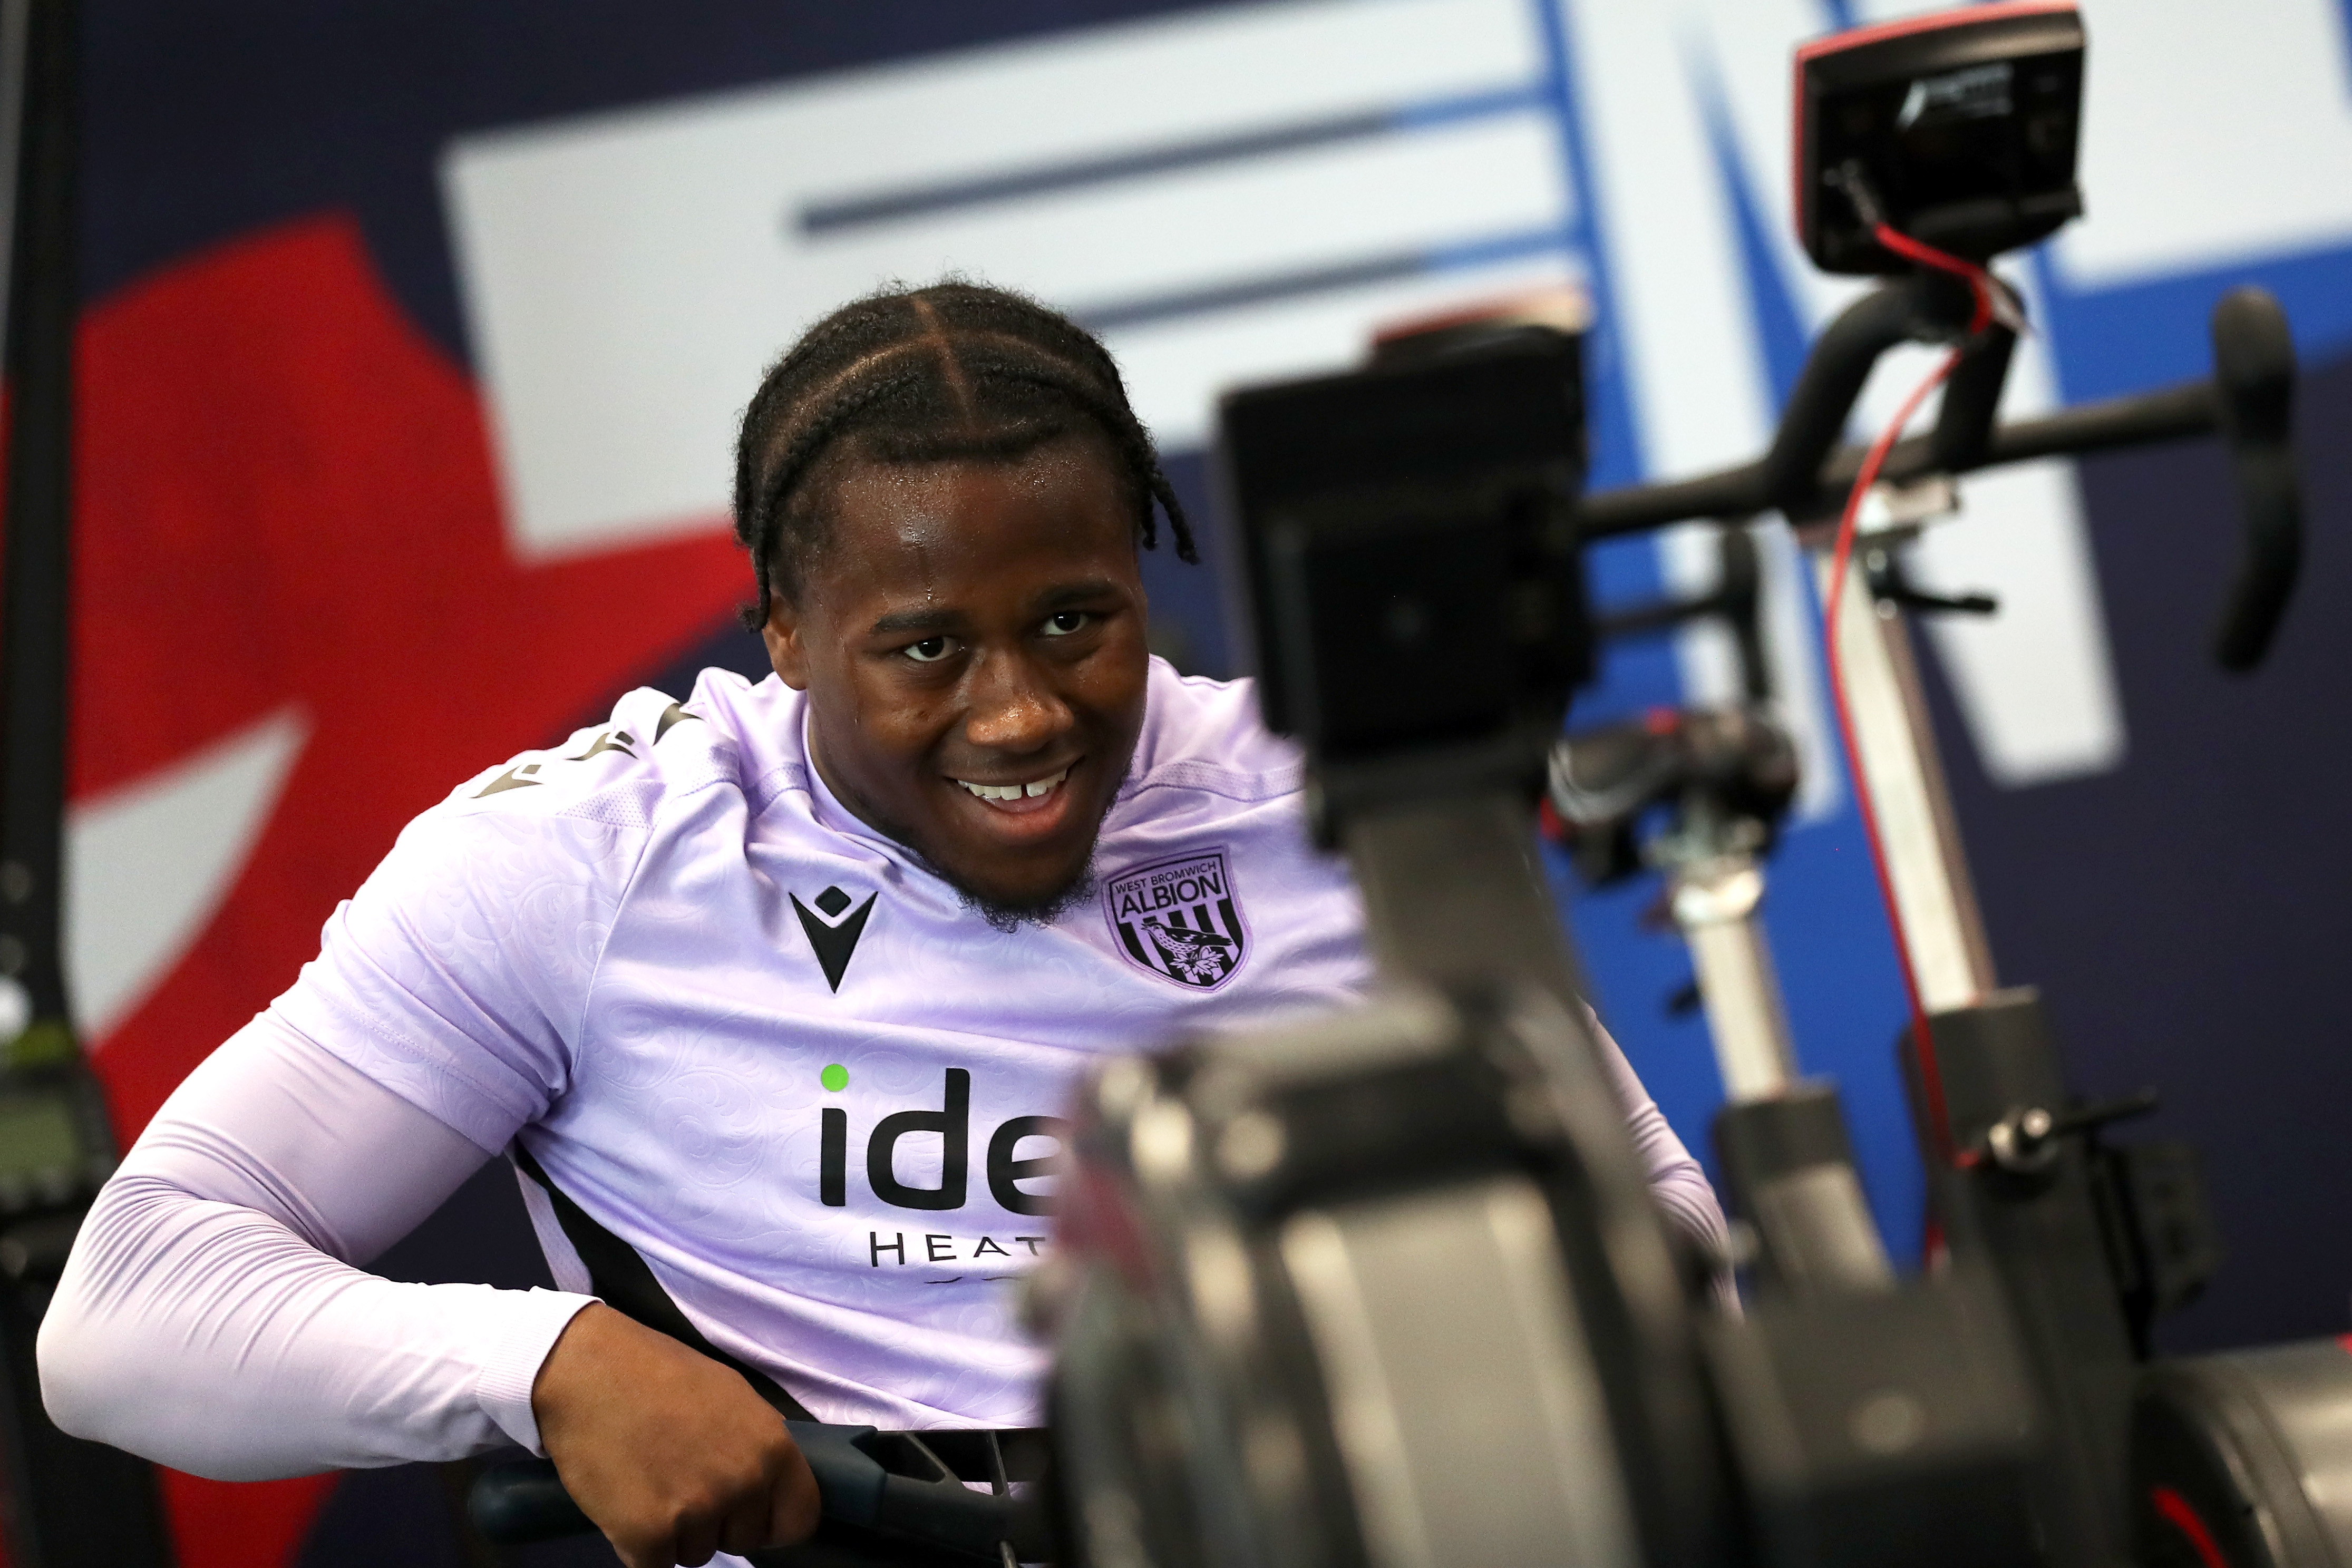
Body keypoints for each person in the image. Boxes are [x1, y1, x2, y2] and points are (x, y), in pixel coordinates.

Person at [38, 283, 1727, 1568]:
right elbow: (124, 1314)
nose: (1021, 718)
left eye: (1079, 623)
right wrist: (550, 1364)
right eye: (927, 649)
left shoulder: (1322, 799)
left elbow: (1656, 1231)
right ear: (782, 627)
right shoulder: (586, 861)